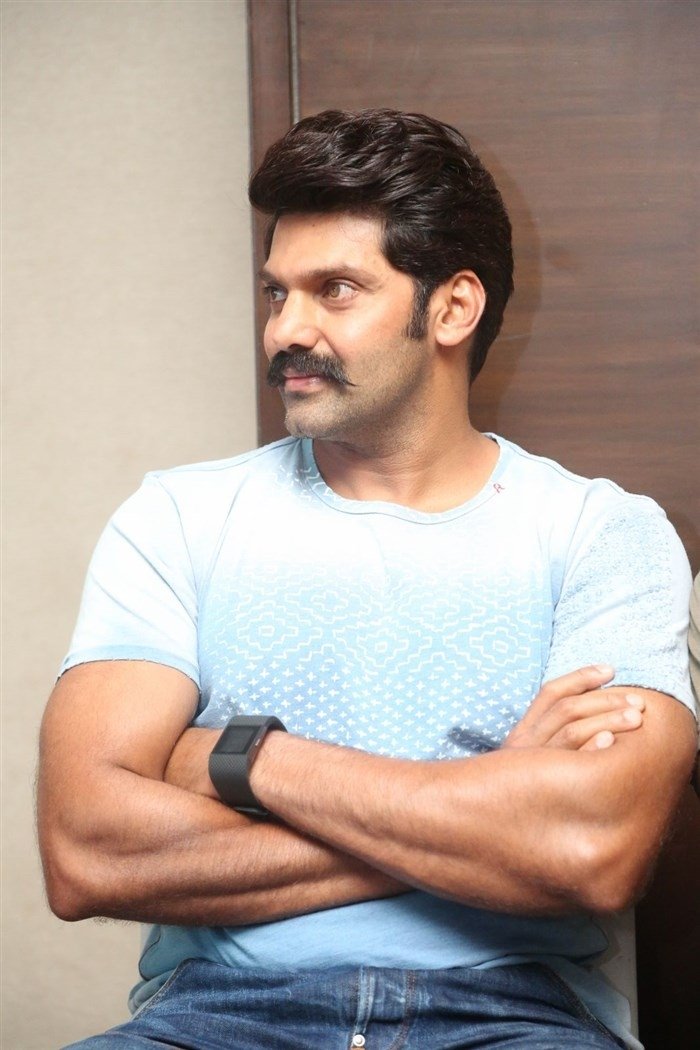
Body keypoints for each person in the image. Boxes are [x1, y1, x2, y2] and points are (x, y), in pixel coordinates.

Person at [38, 110, 697, 1050]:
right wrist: (490, 806)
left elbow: (594, 850)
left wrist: (245, 760)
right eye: (277, 293)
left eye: (335, 290)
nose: (285, 329)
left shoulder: (604, 535)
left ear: (453, 308)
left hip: (512, 1020)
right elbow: (86, 852)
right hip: (216, 1018)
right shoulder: (176, 519)